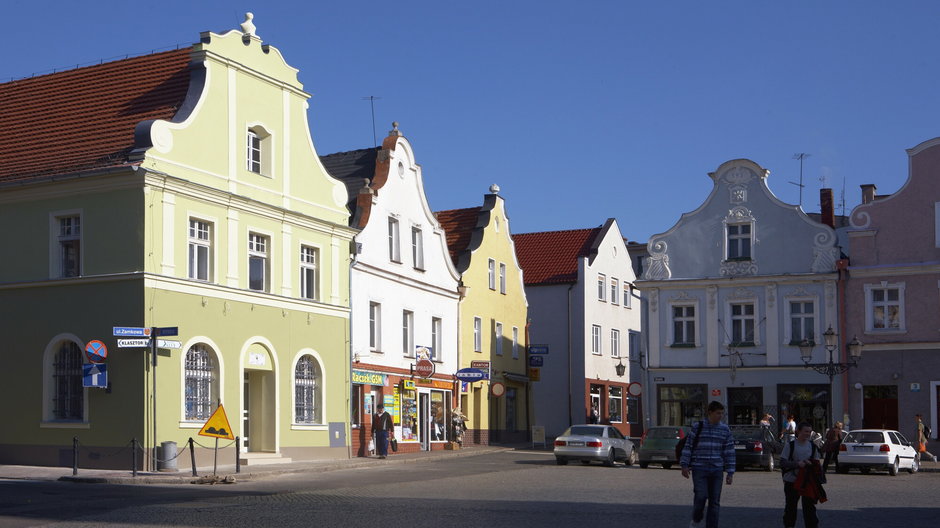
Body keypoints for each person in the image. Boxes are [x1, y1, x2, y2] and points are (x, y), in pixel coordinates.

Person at [680, 401, 735, 528]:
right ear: (710, 413)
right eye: (718, 413)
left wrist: (730, 472)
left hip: (717, 469)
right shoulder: (698, 427)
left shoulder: (724, 429)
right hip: (700, 467)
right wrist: (684, 465)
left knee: (714, 502)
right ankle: (697, 517)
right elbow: (688, 446)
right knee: (701, 496)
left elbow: (729, 451)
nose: (720, 416)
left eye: (722, 413)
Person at [780, 422, 822, 528]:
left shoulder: (812, 446)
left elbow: (817, 463)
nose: (807, 434)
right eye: (805, 431)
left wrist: (811, 463)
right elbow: (783, 462)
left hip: (807, 481)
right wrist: (797, 464)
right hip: (792, 481)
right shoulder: (790, 445)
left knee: (809, 508)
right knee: (791, 507)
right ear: (798, 431)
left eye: (809, 432)